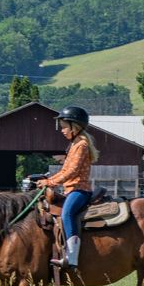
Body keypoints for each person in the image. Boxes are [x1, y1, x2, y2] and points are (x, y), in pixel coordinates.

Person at [40, 106, 98, 269]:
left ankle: (71, 257)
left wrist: (50, 183)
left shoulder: (81, 145)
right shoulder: (74, 144)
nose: (62, 130)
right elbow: (65, 170)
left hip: (79, 190)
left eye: (64, 127)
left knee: (67, 213)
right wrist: (48, 180)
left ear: (75, 127)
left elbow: (72, 171)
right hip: (71, 189)